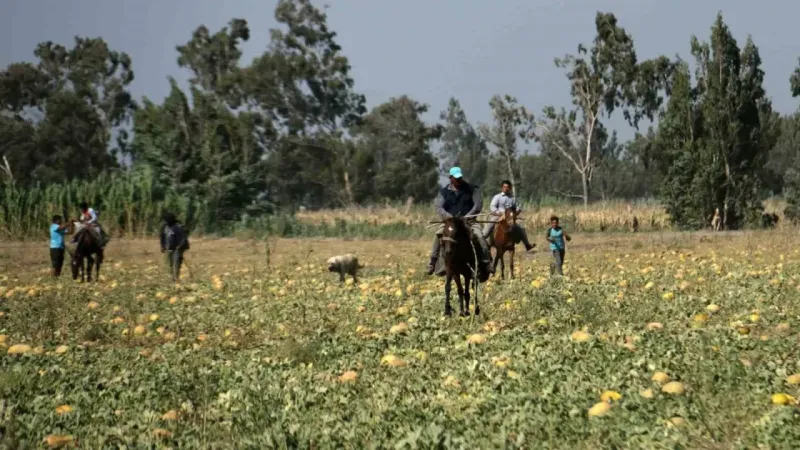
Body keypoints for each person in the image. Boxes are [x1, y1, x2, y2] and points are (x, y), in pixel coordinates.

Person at [426, 167, 494, 276]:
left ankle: (486, 262)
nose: (458, 180)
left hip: (469, 221)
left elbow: (478, 205)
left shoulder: (472, 189)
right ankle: (432, 262)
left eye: (460, 177)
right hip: (450, 222)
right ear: (450, 178)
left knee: (479, 236)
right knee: (437, 235)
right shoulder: (444, 192)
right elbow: (439, 207)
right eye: (456, 178)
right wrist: (449, 217)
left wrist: (467, 216)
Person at [482, 180, 535, 252]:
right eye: (504, 187)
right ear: (502, 188)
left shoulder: (512, 198)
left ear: (510, 188)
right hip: (498, 216)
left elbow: (518, 207)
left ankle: (527, 245)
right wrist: (498, 212)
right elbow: (492, 206)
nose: (506, 188)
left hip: (509, 217)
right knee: (489, 226)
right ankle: (482, 240)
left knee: (521, 228)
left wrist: (516, 212)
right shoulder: (497, 197)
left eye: (507, 187)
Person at [160, 212, 190, 283]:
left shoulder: (177, 227)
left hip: (177, 249)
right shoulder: (165, 227)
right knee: (169, 264)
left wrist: (179, 247)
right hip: (168, 248)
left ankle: (177, 278)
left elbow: (183, 238)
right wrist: (162, 246)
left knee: (176, 263)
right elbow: (162, 237)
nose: (166, 222)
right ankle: (171, 279)